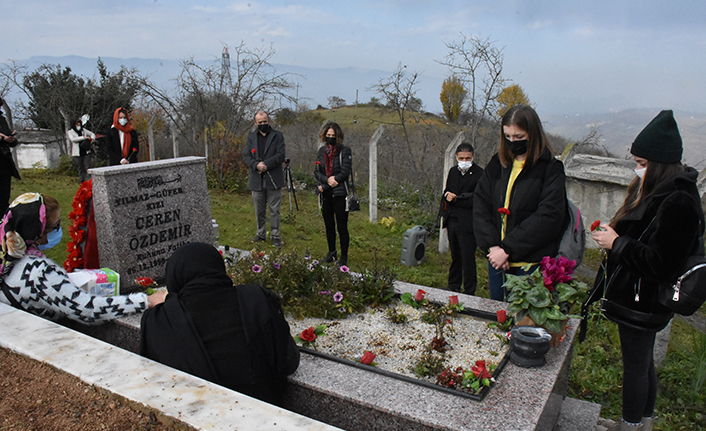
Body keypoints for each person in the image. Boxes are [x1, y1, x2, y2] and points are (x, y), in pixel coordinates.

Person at [590, 110, 703, 431]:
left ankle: (629, 426)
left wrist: (618, 244)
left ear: (659, 163)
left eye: (641, 163)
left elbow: (661, 263)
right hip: (638, 298)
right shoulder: (662, 191)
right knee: (645, 365)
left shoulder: (679, 201)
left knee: (635, 368)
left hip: (645, 300)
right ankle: (643, 423)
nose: (637, 170)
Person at [140, 242, 300, 405]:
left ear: (174, 276)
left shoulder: (160, 320)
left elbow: (157, 385)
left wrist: (169, 305)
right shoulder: (255, 299)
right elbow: (289, 360)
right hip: (266, 414)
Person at [0, 193, 165, 323]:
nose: (60, 229)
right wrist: (147, 300)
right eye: (55, 225)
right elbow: (87, 309)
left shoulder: (7, 253)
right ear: (36, 231)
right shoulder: (38, 273)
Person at [473, 104, 567, 301]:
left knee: (525, 326)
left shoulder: (550, 169)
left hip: (531, 266)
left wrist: (508, 249)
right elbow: (481, 202)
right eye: (507, 137)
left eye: (519, 138)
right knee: (498, 317)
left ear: (532, 135)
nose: (512, 142)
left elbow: (549, 216)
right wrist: (493, 247)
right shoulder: (497, 164)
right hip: (497, 261)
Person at [440, 142, 483, 295]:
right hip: (453, 219)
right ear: (456, 157)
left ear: (473, 157)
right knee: (455, 255)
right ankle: (453, 285)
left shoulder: (480, 174)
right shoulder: (453, 172)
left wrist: (457, 199)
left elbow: (478, 197)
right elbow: (447, 192)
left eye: (468, 158)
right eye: (461, 158)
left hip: (468, 222)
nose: (464, 161)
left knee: (467, 257)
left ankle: (470, 290)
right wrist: (444, 213)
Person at [243, 110, 285, 247]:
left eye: (265, 121)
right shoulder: (250, 137)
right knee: (259, 210)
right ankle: (261, 234)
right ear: (255, 123)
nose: (263, 124)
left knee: (274, 210)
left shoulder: (277, 136)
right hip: (257, 179)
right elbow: (246, 156)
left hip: (273, 178)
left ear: (268, 121)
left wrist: (266, 165)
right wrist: (256, 165)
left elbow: (280, 155)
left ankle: (275, 236)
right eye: (260, 122)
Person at [314, 122, 352, 266]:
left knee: (341, 226)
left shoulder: (345, 151)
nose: (330, 138)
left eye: (333, 136)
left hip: (340, 193)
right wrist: (327, 181)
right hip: (326, 193)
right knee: (328, 224)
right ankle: (331, 253)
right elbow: (317, 171)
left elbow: (345, 171)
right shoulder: (321, 151)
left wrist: (334, 180)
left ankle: (344, 256)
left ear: (338, 136)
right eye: (328, 135)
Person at [0, 97, 20, 217]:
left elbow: (7, 136)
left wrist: (11, 139)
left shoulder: (1, 119)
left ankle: (3, 219)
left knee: (4, 193)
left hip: (4, 159)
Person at [67, 117, 96, 183]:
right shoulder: (70, 132)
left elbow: (92, 134)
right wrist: (83, 138)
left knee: (88, 166)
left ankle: (90, 180)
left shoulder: (84, 130)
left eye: (79, 125)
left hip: (86, 152)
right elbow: (73, 139)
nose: (78, 126)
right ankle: (82, 180)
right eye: (77, 125)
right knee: (80, 167)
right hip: (77, 153)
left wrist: (92, 139)